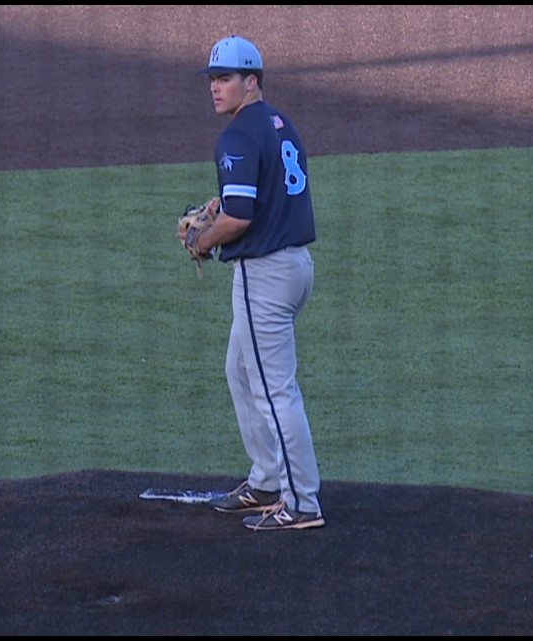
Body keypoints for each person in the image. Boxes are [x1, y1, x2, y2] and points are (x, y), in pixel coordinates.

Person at [178, 35, 324, 531]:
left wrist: (202, 241)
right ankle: (266, 480)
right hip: (294, 266)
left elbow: (239, 219)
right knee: (240, 370)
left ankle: (302, 502)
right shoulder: (281, 126)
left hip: (264, 275)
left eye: (225, 79)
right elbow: (262, 198)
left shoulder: (238, 136)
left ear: (251, 81)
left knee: (273, 391)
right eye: (213, 79)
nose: (216, 88)